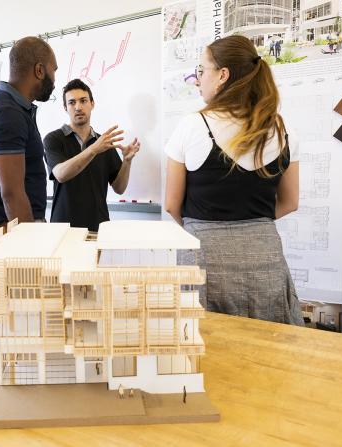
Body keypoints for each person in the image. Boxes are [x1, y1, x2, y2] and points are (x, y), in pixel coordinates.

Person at [164, 35, 303, 326]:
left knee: (206, 354)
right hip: (265, 260)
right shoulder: (279, 127)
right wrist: (254, 223)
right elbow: (290, 202)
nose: (198, 79)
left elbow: (172, 204)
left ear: (222, 75)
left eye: (202, 70)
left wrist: (201, 227)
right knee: (267, 353)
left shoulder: (192, 125)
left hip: (204, 260)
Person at [0, 36, 58, 245]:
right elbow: (12, 193)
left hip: (12, 227)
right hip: (8, 231)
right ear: (40, 71)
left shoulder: (12, 108)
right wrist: (31, 246)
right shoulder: (7, 113)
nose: (55, 79)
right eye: (53, 70)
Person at [43, 79, 140, 232]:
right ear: (65, 107)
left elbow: (119, 188)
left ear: (92, 104)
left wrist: (127, 162)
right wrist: (93, 149)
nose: (78, 107)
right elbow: (60, 174)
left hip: (97, 227)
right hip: (63, 229)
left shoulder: (104, 143)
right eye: (72, 102)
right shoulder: (53, 139)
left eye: (83, 101)